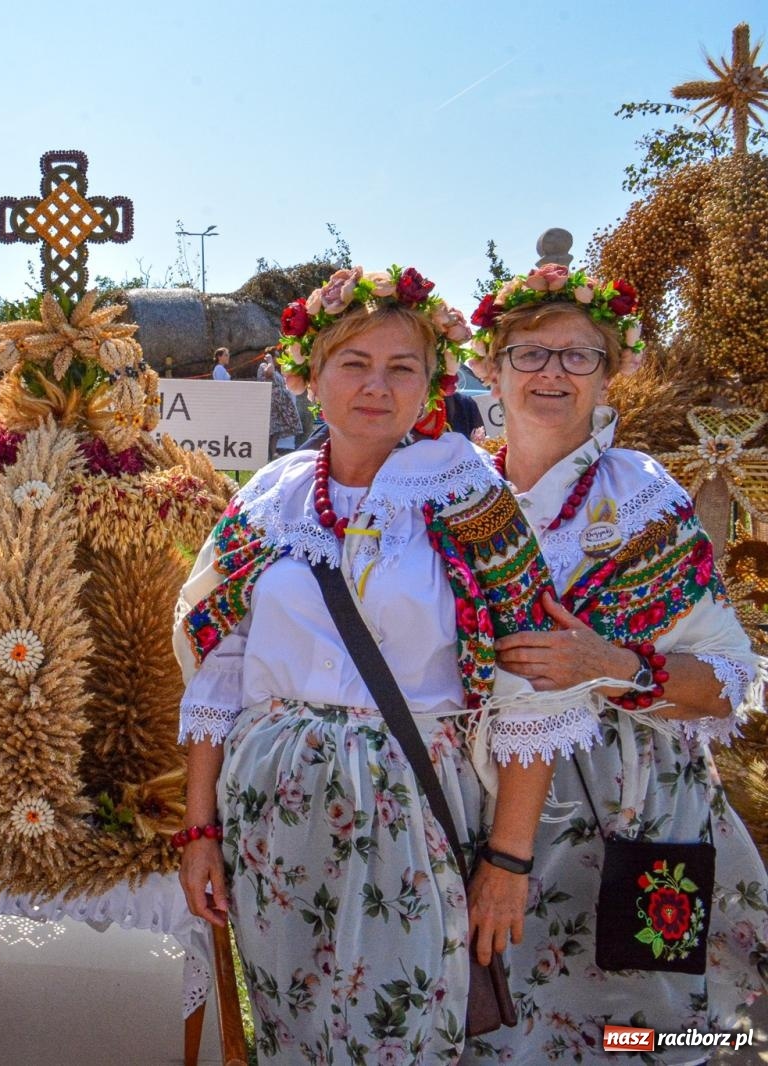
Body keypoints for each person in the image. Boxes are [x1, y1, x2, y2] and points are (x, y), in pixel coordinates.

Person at [176, 265, 599, 1062]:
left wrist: (508, 859)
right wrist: (200, 828)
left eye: (402, 367)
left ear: (432, 383)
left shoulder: (471, 497)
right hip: (272, 814)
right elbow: (220, 667)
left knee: (402, 1027)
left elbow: (531, 685)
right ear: (310, 377)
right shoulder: (268, 500)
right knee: (292, 1025)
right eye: (354, 364)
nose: (377, 386)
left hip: (411, 811)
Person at [464, 266, 768, 1061]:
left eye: (579, 355)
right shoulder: (457, 492)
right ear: (491, 367)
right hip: (479, 798)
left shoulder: (641, 497)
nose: (553, 373)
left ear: (610, 373)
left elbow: (729, 681)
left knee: (631, 1032)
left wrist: (612, 664)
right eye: (530, 353)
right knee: (500, 1023)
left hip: (628, 813)